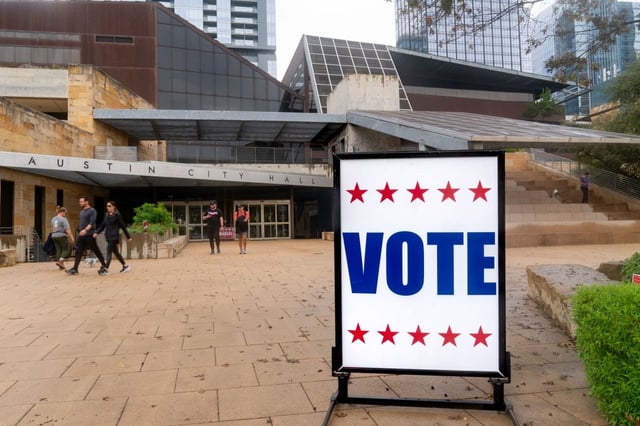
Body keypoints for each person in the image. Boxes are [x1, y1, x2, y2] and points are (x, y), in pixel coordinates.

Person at [65, 196, 108, 276]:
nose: (80, 203)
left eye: (81, 202)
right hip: (82, 235)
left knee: (95, 250)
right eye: (80, 202)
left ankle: (104, 265)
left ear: (86, 202)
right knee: (78, 250)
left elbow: (92, 222)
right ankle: (75, 269)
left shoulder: (92, 211)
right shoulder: (82, 212)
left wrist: (86, 230)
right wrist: (80, 230)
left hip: (89, 234)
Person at [93, 200, 132, 274]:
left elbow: (123, 226)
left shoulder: (117, 215)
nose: (108, 207)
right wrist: (96, 232)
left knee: (109, 252)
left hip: (114, 237)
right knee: (116, 253)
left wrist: (128, 237)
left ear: (114, 207)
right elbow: (102, 225)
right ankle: (125, 266)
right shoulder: (106, 215)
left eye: (109, 206)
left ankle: (105, 269)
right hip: (108, 236)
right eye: (107, 206)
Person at [50, 206, 75, 270]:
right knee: (67, 249)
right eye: (65, 213)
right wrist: (71, 237)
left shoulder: (53, 219)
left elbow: (53, 227)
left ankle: (61, 265)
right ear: (62, 212)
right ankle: (61, 261)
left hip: (54, 235)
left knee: (58, 249)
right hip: (61, 235)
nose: (65, 215)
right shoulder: (63, 219)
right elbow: (67, 229)